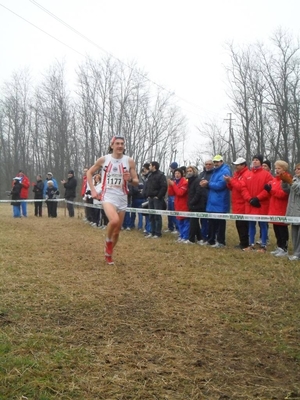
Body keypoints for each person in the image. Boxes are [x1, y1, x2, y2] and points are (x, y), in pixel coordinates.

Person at [87, 135, 139, 265]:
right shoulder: (104, 159)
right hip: (108, 195)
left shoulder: (129, 161)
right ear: (112, 145)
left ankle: (108, 253)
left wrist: (130, 180)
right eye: (117, 143)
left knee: (117, 231)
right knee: (114, 221)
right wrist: (93, 190)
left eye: (122, 143)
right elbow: (89, 173)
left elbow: (137, 182)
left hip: (122, 197)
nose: (120, 146)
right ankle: (108, 242)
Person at [241, 154, 273, 252]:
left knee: (263, 224)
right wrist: (250, 199)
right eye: (253, 160)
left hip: (261, 204)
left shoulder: (267, 175)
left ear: (260, 162)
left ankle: (263, 245)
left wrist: (258, 198)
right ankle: (251, 244)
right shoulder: (247, 174)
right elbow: (243, 188)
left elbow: (268, 189)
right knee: (251, 224)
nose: (255, 161)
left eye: (257, 160)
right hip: (250, 204)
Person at [200, 155, 231, 248]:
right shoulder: (215, 172)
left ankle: (221, 242)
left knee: (220, 224)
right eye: (215, 162)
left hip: (220, 202)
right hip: (212, 201)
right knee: (212, 223)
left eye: (218, 162)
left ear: (222, 162)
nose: (216, 164)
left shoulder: (225, 171)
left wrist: (208, 184)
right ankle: (211, 240)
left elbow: (220, 185)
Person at [265, 160, 291, 257]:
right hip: (274, 207)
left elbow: (283, 194)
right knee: (276, 228)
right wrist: (268, 190)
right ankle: (279, 246)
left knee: (282, 228)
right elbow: (271, 194)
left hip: (282, 207)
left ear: (284, 169)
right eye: (276, 168)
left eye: (279, 168)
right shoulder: (274, 180)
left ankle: (284, 248)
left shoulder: (286, 179)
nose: (277, 170)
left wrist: (271, 190)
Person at [224, 157, 251, 250]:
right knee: (239, 224)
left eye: (238, 165)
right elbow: (233, 188)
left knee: (243, 224)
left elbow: (240, 187)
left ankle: (245, 243)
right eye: (235, 165)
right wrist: (228, 182)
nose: (236, 167)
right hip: (236, 203)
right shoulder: (236, 174)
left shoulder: (246, 174)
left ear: (243, 165)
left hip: (243, 203)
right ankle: (242, 242)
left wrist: (231, 180)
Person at [144, 161, 167, 239]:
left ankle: (158, 233)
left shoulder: (161, 175)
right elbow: (147, 186)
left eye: (150, 165)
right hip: (150, 198)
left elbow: (164, 187)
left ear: (154, 166)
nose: (149, 167)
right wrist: (147, 195)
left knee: (157, 216)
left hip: (157, 199)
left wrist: (158, 196)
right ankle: (152, 232)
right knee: (151, 216)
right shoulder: (150, 175)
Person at [282, 163, 300, 261]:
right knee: (294, 234)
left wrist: (291, 183)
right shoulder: (294, 179)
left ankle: (298, 254)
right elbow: (286, 190)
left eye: (299, 169)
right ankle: (296, 253)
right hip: (293, 211)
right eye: (295, 169)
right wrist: (284, 181)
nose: (296, 170)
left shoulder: (294, 181)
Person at [186, 165, 207, 244]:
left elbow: (198, 193)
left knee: (193, 222)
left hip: (197, 205)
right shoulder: (189, 181)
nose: (189, 172)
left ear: (194, 172)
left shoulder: (197, 180)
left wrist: (192, 202)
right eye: (187, 171)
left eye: (190, 171)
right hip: (193, 204)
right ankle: (199, 238)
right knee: (195, 223)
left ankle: (191, 239)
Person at [167, 168, 189, 242]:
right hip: (177, 204)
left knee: (185, 221)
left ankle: (185, 237)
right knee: (179, 221)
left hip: (184, 204)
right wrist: (170, 185)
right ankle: (181, 235)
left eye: (178, 173)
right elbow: (171, 193)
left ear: (181, 174)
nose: (177, 175)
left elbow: (180, 193)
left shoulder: (185, 182)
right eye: (175, 173)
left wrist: (173, 185)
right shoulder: (175, 182)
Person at [198, 159, 214, 242]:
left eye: (209, 164)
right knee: (203, 219)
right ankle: (203, 236)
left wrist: (207, 184)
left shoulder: (214, 174)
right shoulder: (201, 174)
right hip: (202, 200)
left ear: (212, 165)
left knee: (211, 220)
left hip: (211, 199)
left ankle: (211, 236)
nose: (208, 165)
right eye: (206, 164)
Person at [165, 162, 179, 233]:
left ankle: (176, 227)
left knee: (174, 212)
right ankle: (170, 227)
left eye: (170, 167)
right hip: (170, 195)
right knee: (169, 212)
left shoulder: (177, 177)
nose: (170, 169)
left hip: (174, 196)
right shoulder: (171, 177)